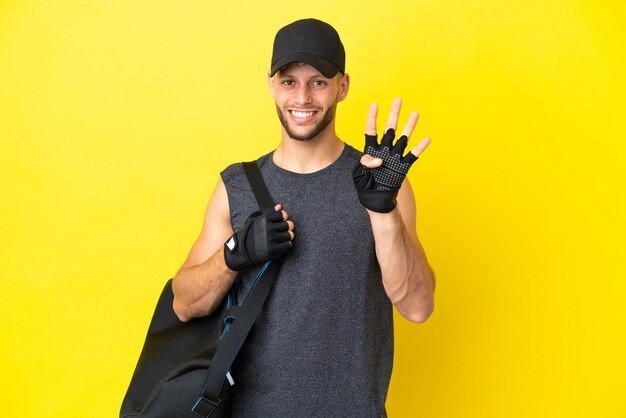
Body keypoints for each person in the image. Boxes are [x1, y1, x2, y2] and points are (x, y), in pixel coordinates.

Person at [171, 18, 435, 418]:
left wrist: (383, 212)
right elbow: (184, 304)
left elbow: (417, 306)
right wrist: (233, 254)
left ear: (342, 86)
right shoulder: (238, 185)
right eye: (289, 81)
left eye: (318, 82)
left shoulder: (381, 182)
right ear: (271, 85)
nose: (303, 97)